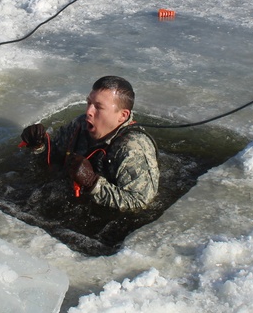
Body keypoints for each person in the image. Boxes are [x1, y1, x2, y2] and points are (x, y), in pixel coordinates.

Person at [19, 76, 159, 213]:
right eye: (89, 103)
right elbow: (54, 156)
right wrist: (38, 145)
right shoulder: (80, 125)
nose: (88, 112)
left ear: (122, 115)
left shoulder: (134, 148)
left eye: (98, 107)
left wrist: (92, 182)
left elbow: (139, 202)